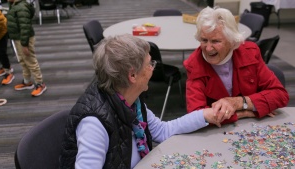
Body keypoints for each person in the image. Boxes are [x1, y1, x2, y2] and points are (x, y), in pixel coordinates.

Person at [59, 34, 221, 169]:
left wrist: (205, 115)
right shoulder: (94, 124)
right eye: (149, 63)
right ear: (132, 76)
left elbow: (162, 130)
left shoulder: (130, 101)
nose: (153, 68)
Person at [183, 6, 289, 125]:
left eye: (215, 41)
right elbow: (196, 115)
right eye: (204, 40)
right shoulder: (195, 65)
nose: (208, 48)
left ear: (232, 41)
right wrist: (245, 113)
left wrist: (238, 102)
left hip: (254, 127)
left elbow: (280, 94)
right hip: (218, 133)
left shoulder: (249, 52)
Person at [6, 0, 47, 96]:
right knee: (23, 61)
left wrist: (25, 45)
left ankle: (40, 84)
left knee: (31, 61)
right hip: (18, 37)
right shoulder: (14, 4)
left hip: (24, 39)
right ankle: (27, 81)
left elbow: (25, 27)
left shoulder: (21, 8)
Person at [0, 4, 14, 85]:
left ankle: (8, 72)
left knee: (1, 52)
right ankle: (4, 67)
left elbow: (0, 21)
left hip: (1, 30)